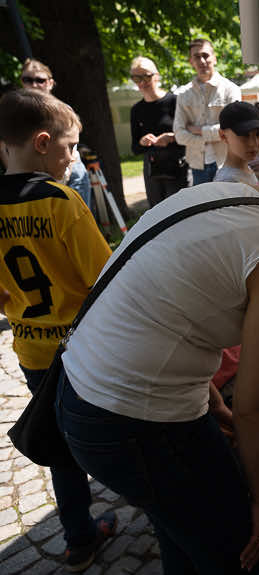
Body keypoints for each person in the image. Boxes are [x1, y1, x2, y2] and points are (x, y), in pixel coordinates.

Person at [55, 128, 259, 573]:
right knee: (234, 548)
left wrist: (206, 396)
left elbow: (172, 308)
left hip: (80, 393)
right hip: (131, 420)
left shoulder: (221, 193)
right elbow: (255, 406)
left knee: (184, 537)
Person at [0, 89, 115, 572]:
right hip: (82, 349)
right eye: (69, 147)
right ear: (43, 143)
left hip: (32, 353)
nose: (72, 158)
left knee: (62, 449)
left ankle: (78, 537)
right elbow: (107, 279)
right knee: (110, 432)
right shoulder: (62, 201)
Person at [19, 58, 94, 212]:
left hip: (70, 175)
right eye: (27, 79)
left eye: (40, 80)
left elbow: (72, 149)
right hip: (34, 180)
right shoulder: (17, 114)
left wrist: (62, 175)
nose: (34, 85)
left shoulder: (64, 110)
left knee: (77, 226)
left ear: (50, 83)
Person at [173, 38, 241, 185]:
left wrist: (197, 130)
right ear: (191, 61)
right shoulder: (183, 94)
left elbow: (233, 129)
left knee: (227, 206)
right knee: (204, 207)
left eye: (205, 55)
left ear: (214, 58)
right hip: (198, 166)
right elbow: (179, 134)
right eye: (197, 57)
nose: (202, 61)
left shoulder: (231, 90)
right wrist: (211, 135)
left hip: (226, 163)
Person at [129, 56, 188, 207]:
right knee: (157, 212)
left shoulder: (175, 101)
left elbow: (190, 136)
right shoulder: (136, 110)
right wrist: (143, 142)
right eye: (136, 78)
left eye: (146, 76)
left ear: (157, 76)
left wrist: (173, 137)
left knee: (178, 211)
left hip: (177, 167)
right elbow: (135, 148)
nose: (142, 82)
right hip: (153, 170)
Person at [214, 101, 259, 186]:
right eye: (244, 135)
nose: (253, 143)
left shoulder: (244, 170)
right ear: (223, 136)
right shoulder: (228, 182)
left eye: (258, 134)